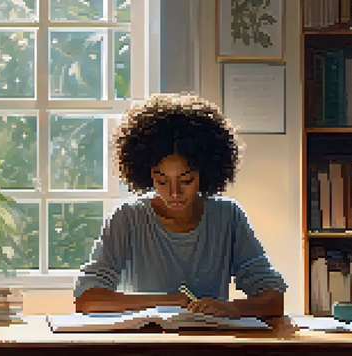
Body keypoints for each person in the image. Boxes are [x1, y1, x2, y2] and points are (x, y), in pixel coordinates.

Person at [73, 93, 288, 320]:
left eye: (185, 180)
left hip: (209, 345)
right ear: (146, 174)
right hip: (145, 346)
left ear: (204, 173)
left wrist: (232, 309)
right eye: (162, 181)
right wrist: (166, 301)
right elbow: (87, 299)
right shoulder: (127, 218)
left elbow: (274, 299)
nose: (174, 192)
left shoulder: (228, 216)